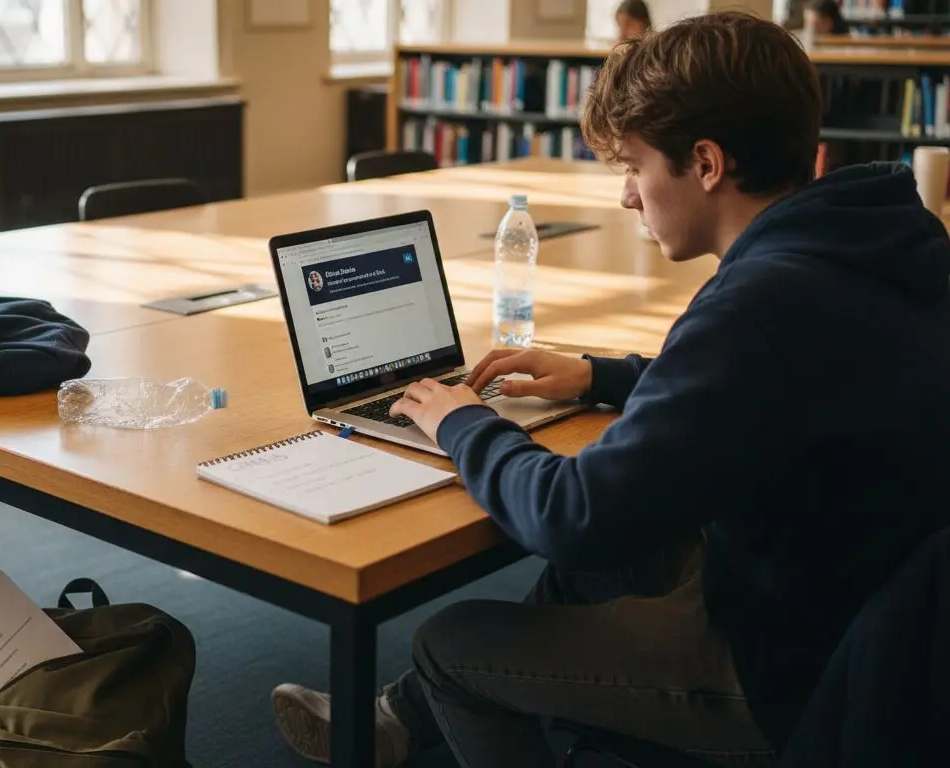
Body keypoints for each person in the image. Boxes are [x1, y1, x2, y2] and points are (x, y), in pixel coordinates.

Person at [272, 11, 950, 768]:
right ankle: (395, 720)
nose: (628, 196)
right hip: (854, 603)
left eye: (633, 166)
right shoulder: (884, 235)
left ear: (704, 163)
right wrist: (607, 375)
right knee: (599, 568)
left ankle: (428, 691)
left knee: (448, 639)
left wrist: (462, 423)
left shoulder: (757, 305)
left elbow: (573, 512)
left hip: (782, 670)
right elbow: (786, 383)